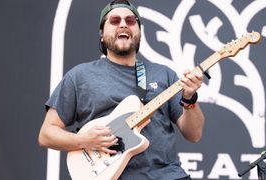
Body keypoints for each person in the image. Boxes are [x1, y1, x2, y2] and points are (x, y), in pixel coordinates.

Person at [38, 0, 205, 179]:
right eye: (115, 21)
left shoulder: (164, 74)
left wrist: (189, 99)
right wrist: (84, 140)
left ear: (139, 32)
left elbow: (194, 134)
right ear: (101, 33)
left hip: (168, 175)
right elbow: (47, 134)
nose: (123, 24)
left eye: (131, 21)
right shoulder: (79, 76)